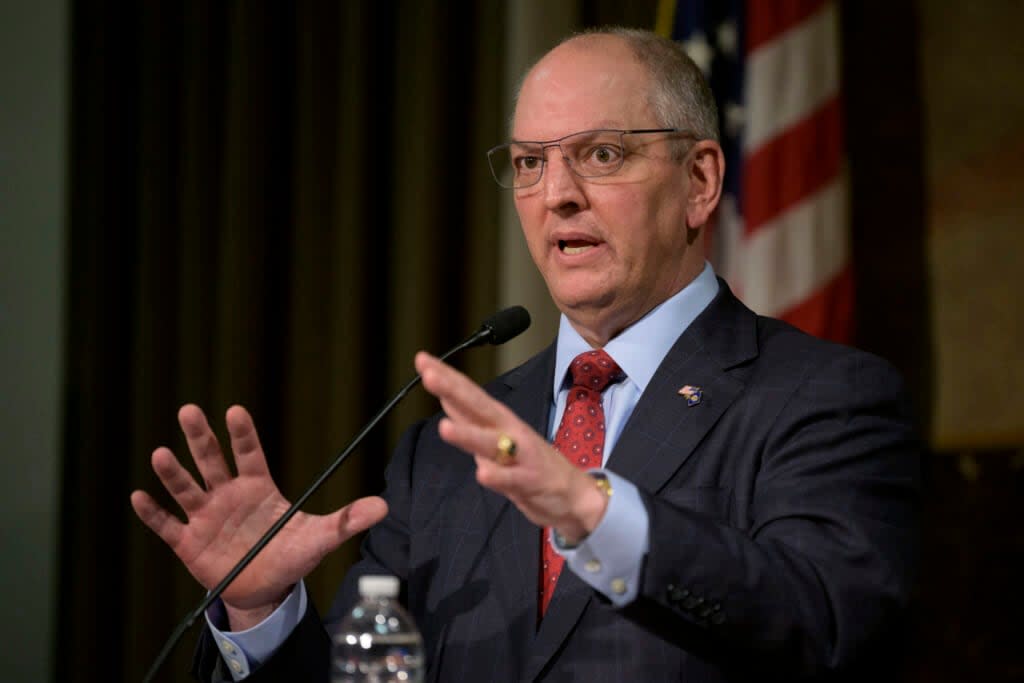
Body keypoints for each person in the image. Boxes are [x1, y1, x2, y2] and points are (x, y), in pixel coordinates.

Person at [131, 27, 920, 682]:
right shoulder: (446, 451)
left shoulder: (824, 396)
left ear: (702, 179)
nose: (557, 194)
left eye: (602, 154)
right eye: (531, 162)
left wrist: (596, 514)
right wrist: (263, 611)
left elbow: (826, 624)